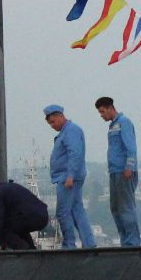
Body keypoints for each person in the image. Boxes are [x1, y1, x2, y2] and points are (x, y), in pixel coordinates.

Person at [45, 104, 94, 248]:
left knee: (63, 212)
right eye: (49, 123)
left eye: (53, 122)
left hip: (67, 178)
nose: (51, 126)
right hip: (69, 176)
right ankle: (89, 243)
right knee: (77, 210)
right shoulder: (67, 131)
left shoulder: (70, 131)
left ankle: (69, 244)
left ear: (60, 116)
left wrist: (70, 176)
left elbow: (75, 154)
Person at [96, 96, 141, 246]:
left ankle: (132, 242)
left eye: (102, 111)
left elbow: (131, 147)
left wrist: (129, 166)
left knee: (126, 208)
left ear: (110, 108)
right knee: (115, 208)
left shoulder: (124, 123)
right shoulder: (112, 126)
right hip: (114, 171)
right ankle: (125, 241)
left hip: (124, 172)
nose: (102, 115)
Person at [0, 176, 47, 251]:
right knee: (16, 228)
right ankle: (31, 250)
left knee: (3, 229)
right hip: (42, 215)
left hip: (32, 216)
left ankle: (24, 250)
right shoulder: (6, 188)